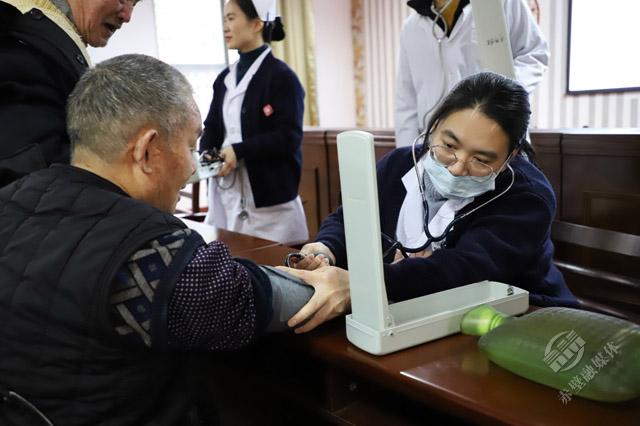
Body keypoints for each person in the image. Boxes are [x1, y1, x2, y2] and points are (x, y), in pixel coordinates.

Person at [0, 54, 317, 426]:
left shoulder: (12, 200)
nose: (193, 166)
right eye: (190, 146)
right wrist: (331, 283)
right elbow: (250, 297)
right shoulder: (147, 250)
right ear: (147, 150)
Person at [282, 72, 579, 334]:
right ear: (434, 125)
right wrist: (325, 248)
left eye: (481, 160)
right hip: (416, 314)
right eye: (449, 146)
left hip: (524, 321)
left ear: (510, 156)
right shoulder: (398, 164)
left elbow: (465, 270)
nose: (458, 167)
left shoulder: (527, 198)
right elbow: (350, 219)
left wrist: (363, 286)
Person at [200, 0, 309, 245]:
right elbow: (213, 127)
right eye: (224, 19)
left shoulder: (282, 77)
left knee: (275, 264)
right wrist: (206, 153)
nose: (225, 26)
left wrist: (238, 151)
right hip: (228, 196)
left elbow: (288, 137)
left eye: (231, 18)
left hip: (272, 209)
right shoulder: (224, 78)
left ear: (257, 24)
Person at [0, 0, 138, 187]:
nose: (128, 16)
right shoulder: (21, 50)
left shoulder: (35, 45)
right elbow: (31, 179)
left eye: (135, 3)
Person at [395, 0, 549, 147]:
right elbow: (406, 102)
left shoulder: (503, 3)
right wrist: (408, 156)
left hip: (497, 139)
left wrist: (503, 95)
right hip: (436, 151)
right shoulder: (410, 28)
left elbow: (535, 54)